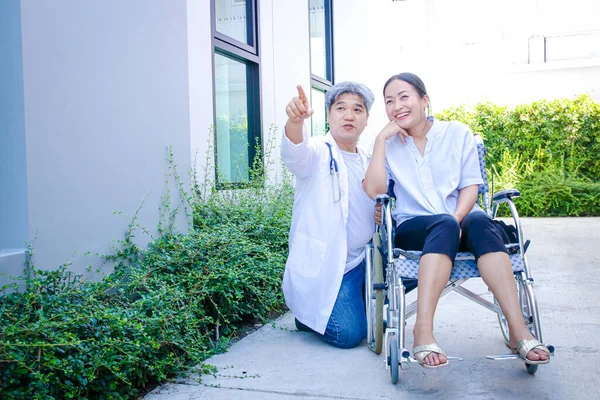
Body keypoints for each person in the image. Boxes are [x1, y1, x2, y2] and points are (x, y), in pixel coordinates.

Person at [363, 72, 551, 368]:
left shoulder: (457, 133)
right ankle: (422, 331)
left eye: (404, 97)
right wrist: (380, 140)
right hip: (415, 228)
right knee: (445, 224)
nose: (396, 105)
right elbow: (375, 191)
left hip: (460, 219)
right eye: (389, 101)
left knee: (480, 223)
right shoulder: (389, 145)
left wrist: (457, 217)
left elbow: (470, 186)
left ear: (424, 100)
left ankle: (520, 331)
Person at [281, 82, 376, 349]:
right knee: (348, 334)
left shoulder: (369, 157)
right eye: (341, 108)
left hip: (363, 260)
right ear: (328, 115)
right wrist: (294, 121)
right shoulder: (318, 151)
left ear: (367, 119)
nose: (349, 115)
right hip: (334, 265)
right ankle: (307, 317)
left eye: (358, 109)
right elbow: (295, 155)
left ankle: (346, 304)